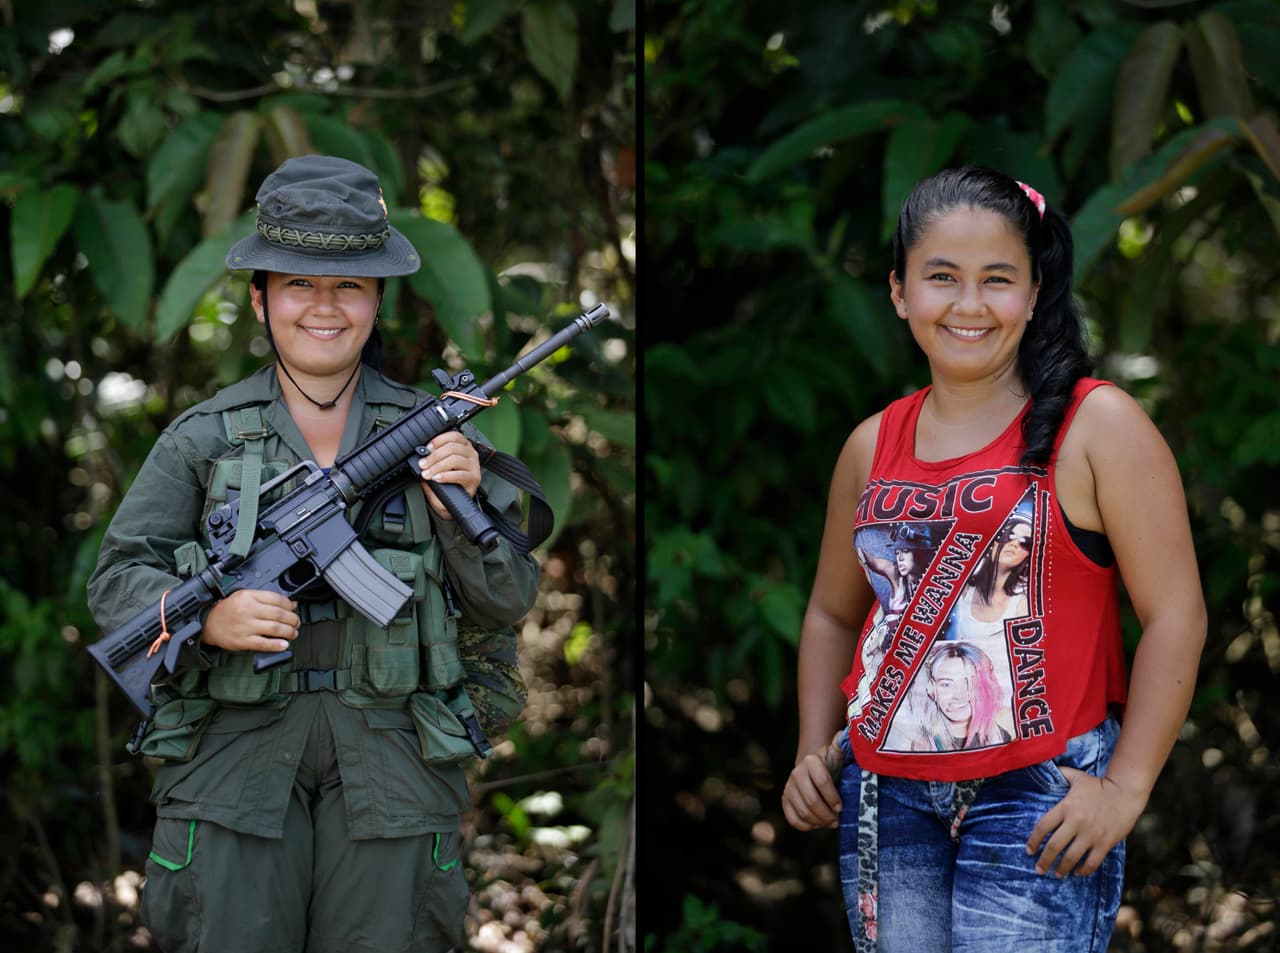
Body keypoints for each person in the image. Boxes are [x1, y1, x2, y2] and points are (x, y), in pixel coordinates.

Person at [87, 155, 540, 953]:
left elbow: (507, 599)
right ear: (260, 298)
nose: (324, 306)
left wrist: (456, 506)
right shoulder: (203, 437)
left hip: (395, 760)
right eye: (298, 283)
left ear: (379, 299)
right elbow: (118, 579)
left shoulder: (433, 435)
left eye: (350, 285)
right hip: (233, 760)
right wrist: (210, 620)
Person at [780, 166, 1205, 951]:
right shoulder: (871, 444)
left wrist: (1126, 788)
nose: (969, 304)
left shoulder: (1098, 425)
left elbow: (1176, 613)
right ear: (900, 291)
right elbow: (832, 613)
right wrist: (814, 744)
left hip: (1040, 792)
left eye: (997, 279)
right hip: (887, 791)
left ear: (1035, 291)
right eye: (942, 276)